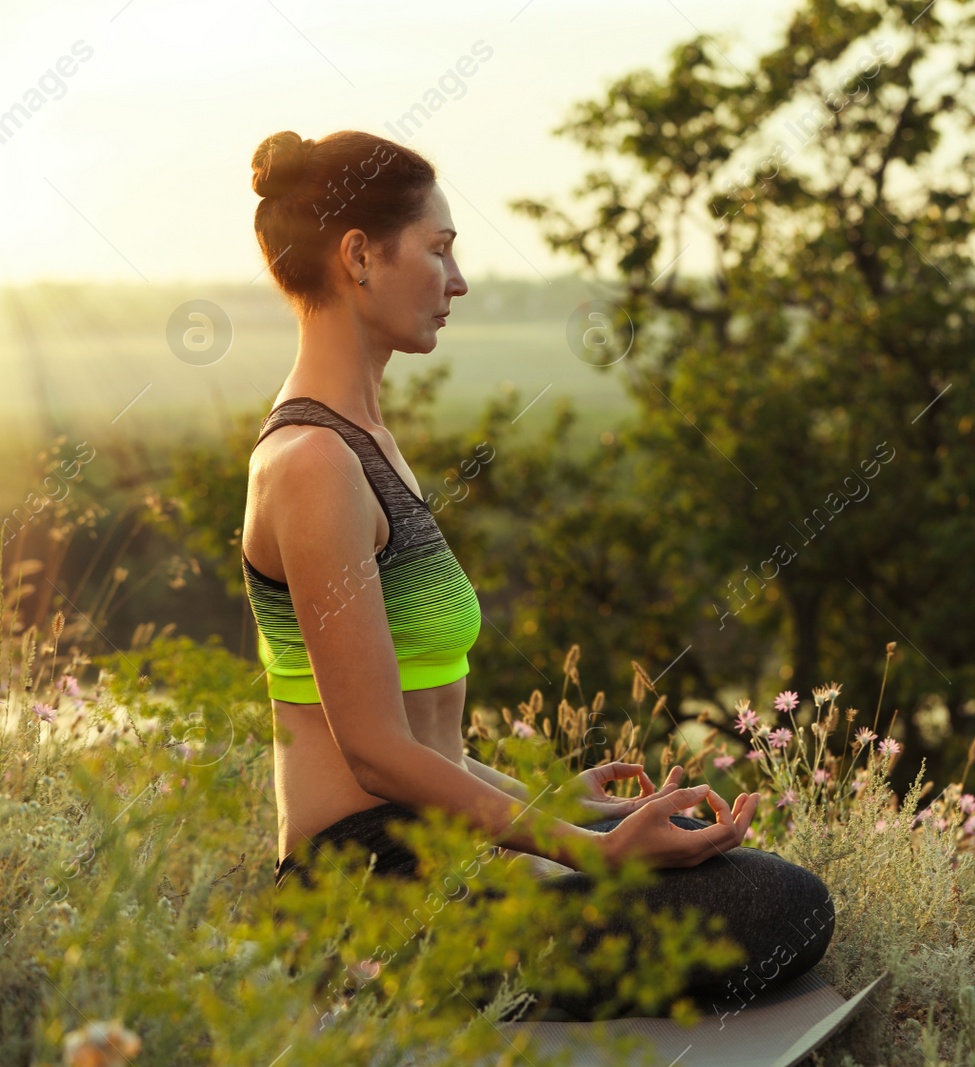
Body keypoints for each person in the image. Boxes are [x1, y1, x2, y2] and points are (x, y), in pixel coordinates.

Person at [241, 129, 834, 1019]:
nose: (459, 281)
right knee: (777, 904)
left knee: (749, 883)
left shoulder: (371, 450)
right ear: (359, 256)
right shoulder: (313, 465)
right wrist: (587, 851)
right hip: (364, 887)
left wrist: (559, 803)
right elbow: (372, 749)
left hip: (436, 849)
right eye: (439, 250)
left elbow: (426, 742)